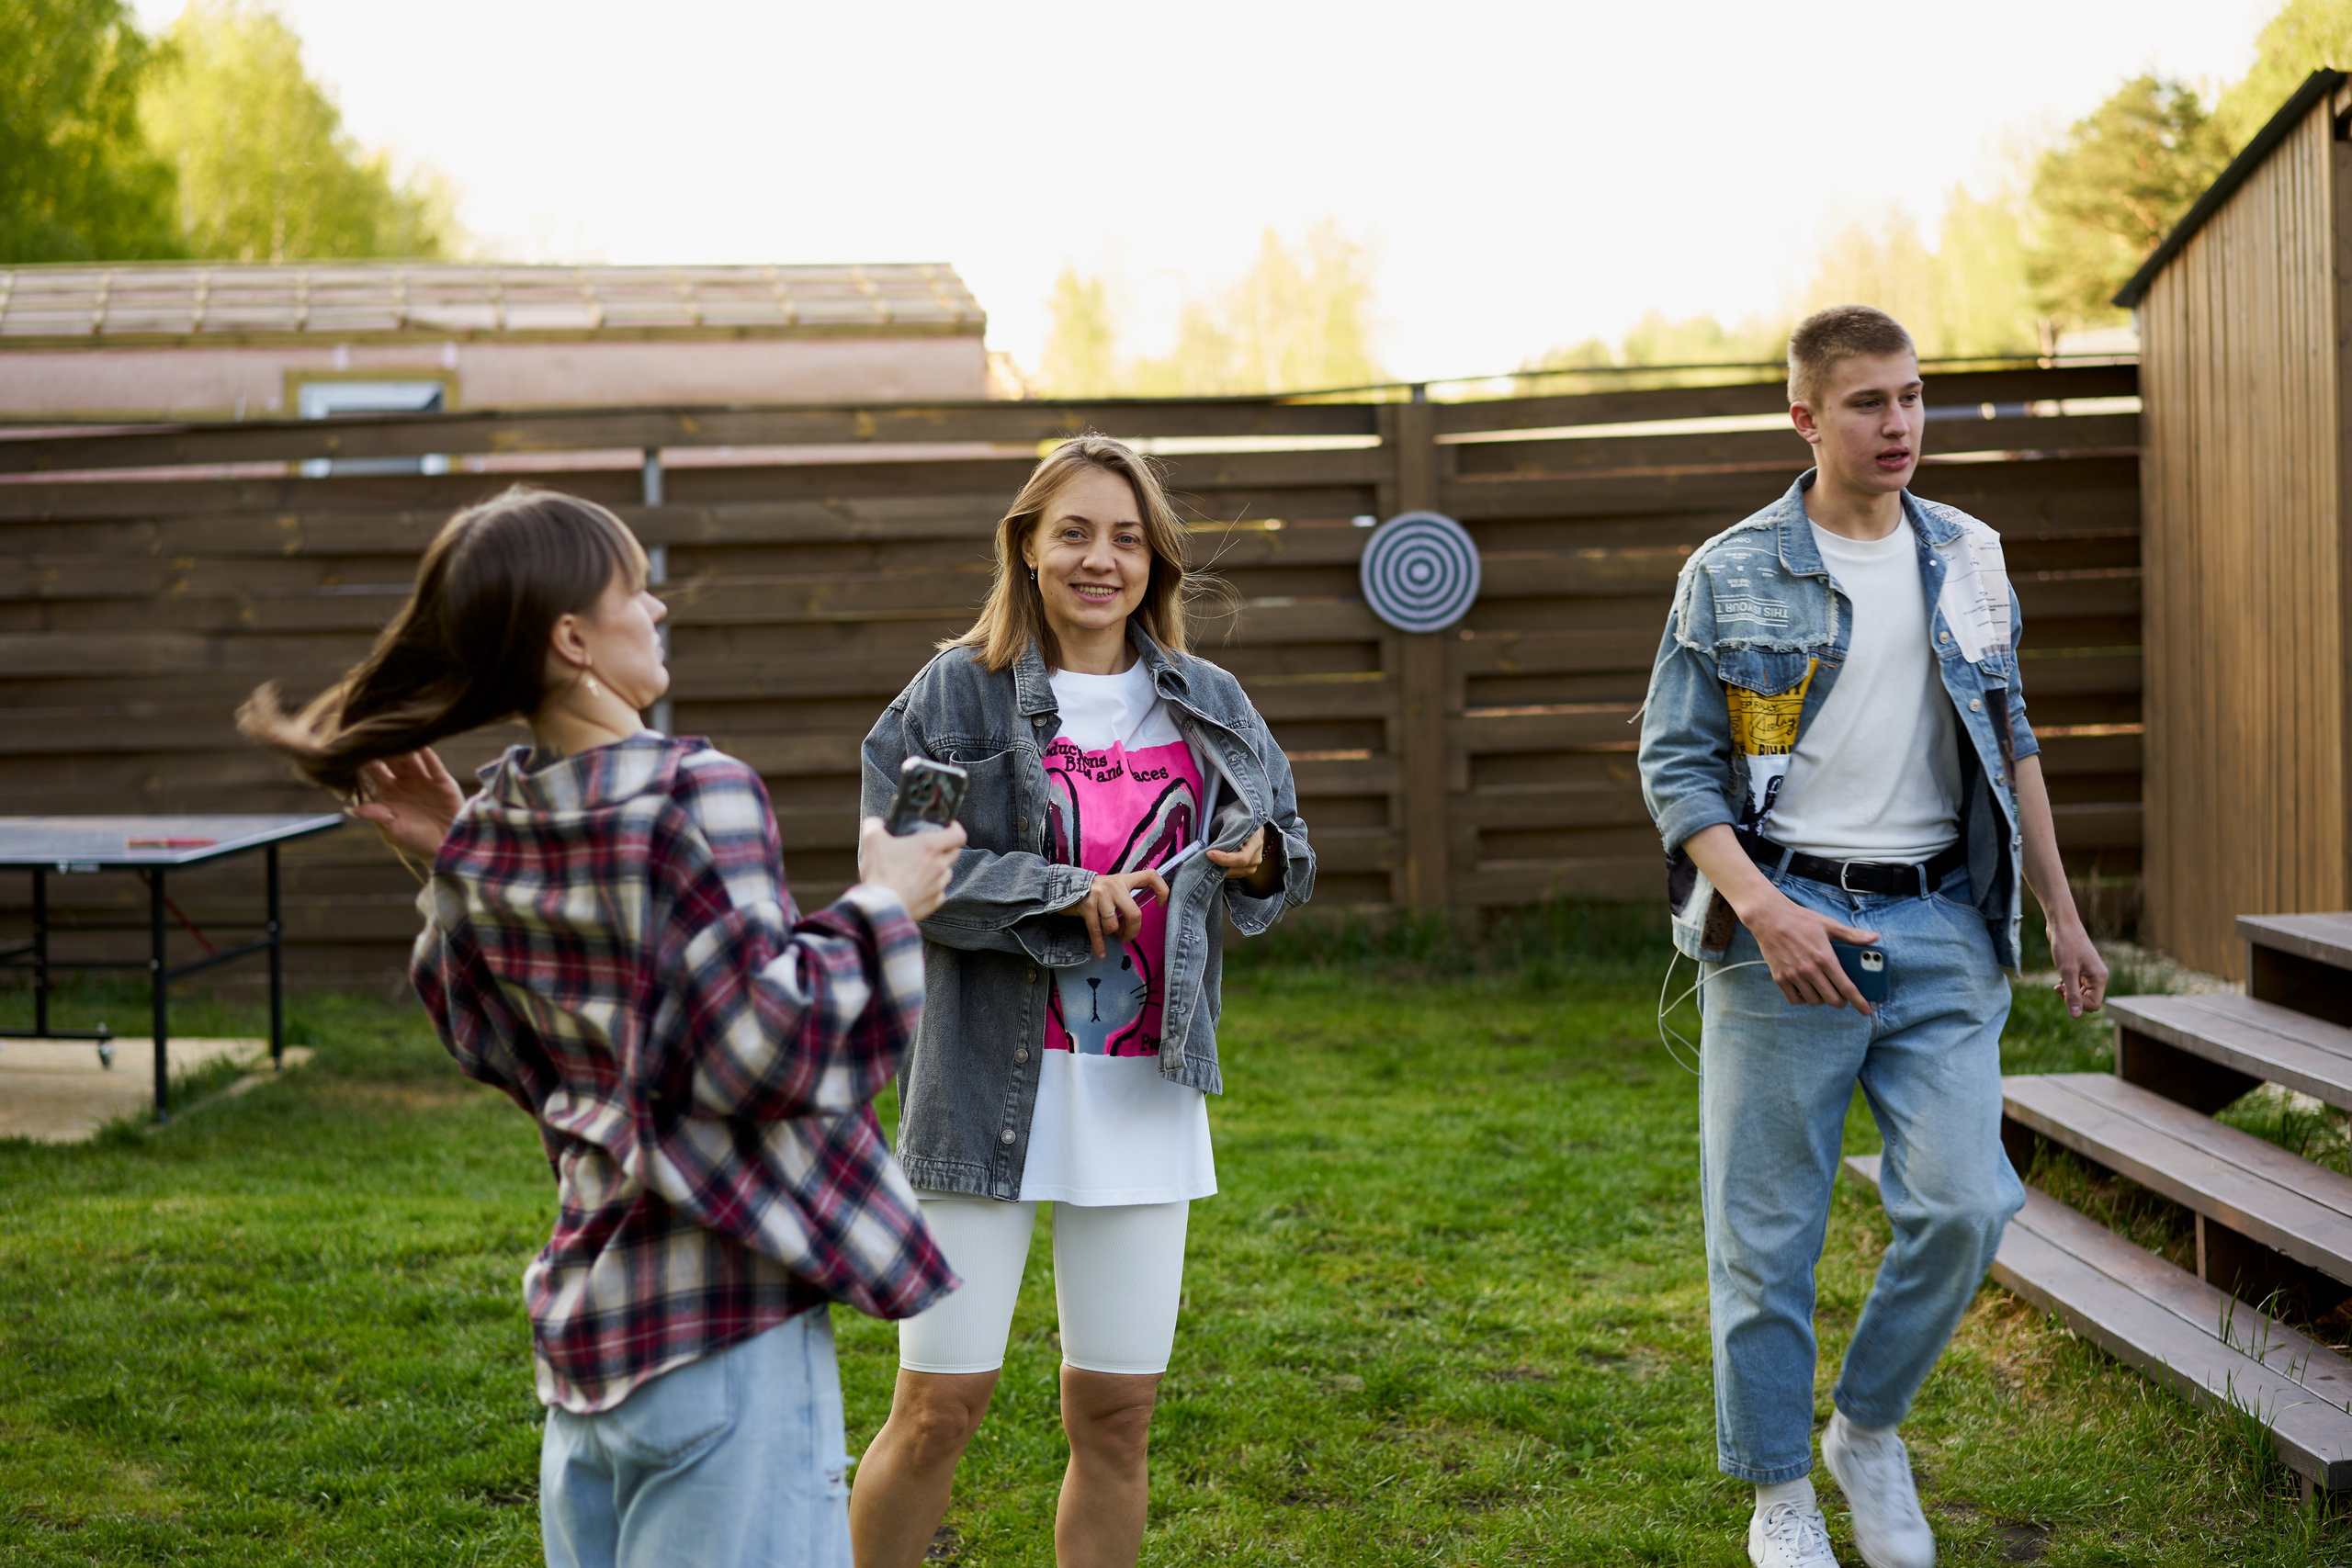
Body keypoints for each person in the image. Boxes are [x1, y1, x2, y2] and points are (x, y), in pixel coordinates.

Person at [238, 485, 967, 1568]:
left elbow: (505, 1047)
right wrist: (882, 907)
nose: (659, 609)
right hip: (726, 1336)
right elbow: (760, 1046)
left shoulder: (501, 829)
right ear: (573, 637)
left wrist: (456, 867)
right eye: (635, 590)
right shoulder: (696, 791)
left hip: (589, 1349)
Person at [1636, 308, 2109, 1568]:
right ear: (1805, 417)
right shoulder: (1730, 569)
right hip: (1785, 918)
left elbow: (2013, 743)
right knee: (1767, 1233)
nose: (1898, 423)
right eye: (1867, 403)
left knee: (1967, 1201)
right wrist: (1768, 909)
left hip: (1942, 919)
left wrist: (2059, 911)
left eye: (1910, 396)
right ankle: (1779, 1492)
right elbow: (1676, 770)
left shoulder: (1968, 553)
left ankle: (1869, 1425)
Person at [849, 434, 1314, 1568]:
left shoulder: (1210, 700)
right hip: (979, 1089)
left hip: (1144, 1092)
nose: (1101, 560)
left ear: (1154, 559)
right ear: (1027, 546)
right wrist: (1063, 892)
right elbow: (903, 869)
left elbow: (1286, 846)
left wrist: (1256, 862)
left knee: (1117, 1417)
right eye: (1074, 533)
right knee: (936, 1413)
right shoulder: (950, 693)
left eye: (1126, 538)